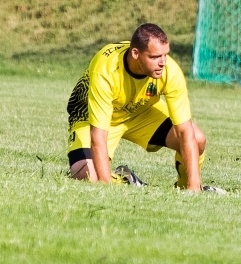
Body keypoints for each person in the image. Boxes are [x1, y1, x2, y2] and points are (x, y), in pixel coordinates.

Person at [66, 23, 224, 192]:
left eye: (165, 55)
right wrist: (105, 186)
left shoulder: (169, 70)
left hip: (140, 113)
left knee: (198, 138)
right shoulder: (106, 69)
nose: (163, 62)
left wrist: (194, 189)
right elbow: (98, 135)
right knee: (86, 175)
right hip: (91, 118)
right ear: (135, 53)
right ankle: (125, 180)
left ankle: (185, 186)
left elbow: (185, 131)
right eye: (155, 57)